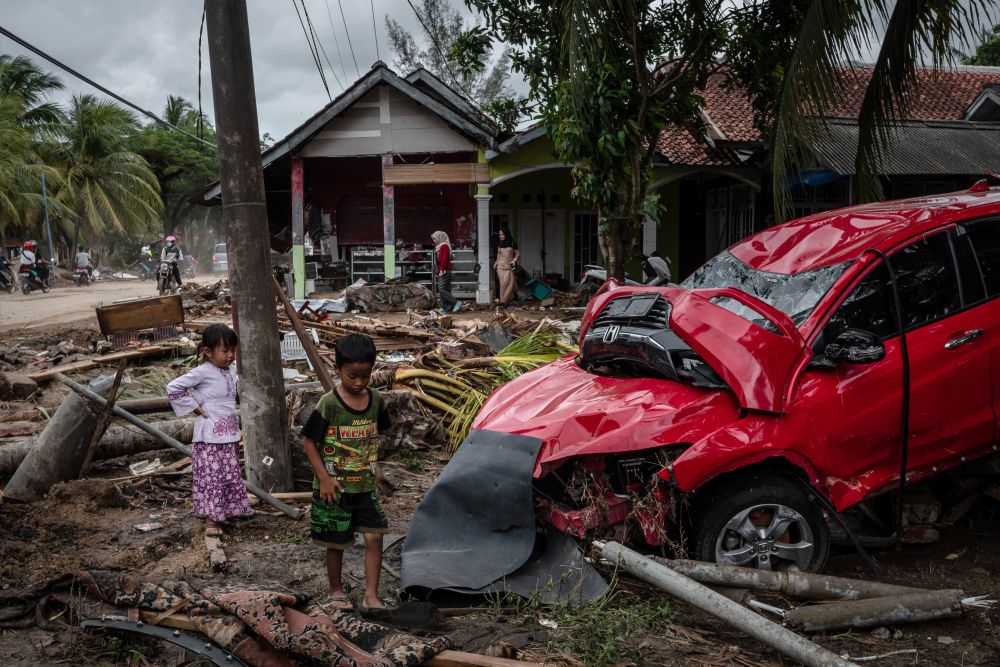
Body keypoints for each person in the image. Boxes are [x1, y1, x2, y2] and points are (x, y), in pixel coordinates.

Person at [301, 333, 390, 612]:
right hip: (335, 490)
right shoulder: (328, 403)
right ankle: (336, 591)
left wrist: (377, 466)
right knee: (336, 542)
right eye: (353, 376)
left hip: (364, 486)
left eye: (365, 376)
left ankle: (371, 595)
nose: (359, 382)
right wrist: (324, 478)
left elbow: (379, 435)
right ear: (338, 369)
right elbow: (308, 440)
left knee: (375, 536)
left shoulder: (376, 401)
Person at [166, 324, 250, 537]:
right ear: (208, 352)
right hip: (210, 438)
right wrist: (194, 406)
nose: (231, 355)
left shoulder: (230, 371)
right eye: (225, 351)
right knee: (213, 477)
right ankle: (211, 519)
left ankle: (226, 512)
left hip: (228, 435)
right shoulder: (202, 372)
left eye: (233, 350)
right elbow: (173, 387)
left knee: (228, 475)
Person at [431, 230, 460, 315]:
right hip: (444, 270)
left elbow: (444, 259)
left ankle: (456, 302)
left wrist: (441, 270)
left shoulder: (444, 246)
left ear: (440, 238)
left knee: (442, 290)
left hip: (444, 271)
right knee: (446, 289)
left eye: (435, 239)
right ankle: (447, 307)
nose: (434, 241)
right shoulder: (439, 247)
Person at [494, 227, 520, 305]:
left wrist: (514, 260)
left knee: (510, 283)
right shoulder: (500, 243)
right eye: (499, 235)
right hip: (500, 267)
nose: (501, 236)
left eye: (502, 234)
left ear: (506, 234)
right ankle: (503, 301)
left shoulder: (512, 243)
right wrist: (496, 263)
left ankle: (510, 297)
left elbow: (517, 254)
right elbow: (498, 255)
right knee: (503, 283)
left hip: (509, 267)